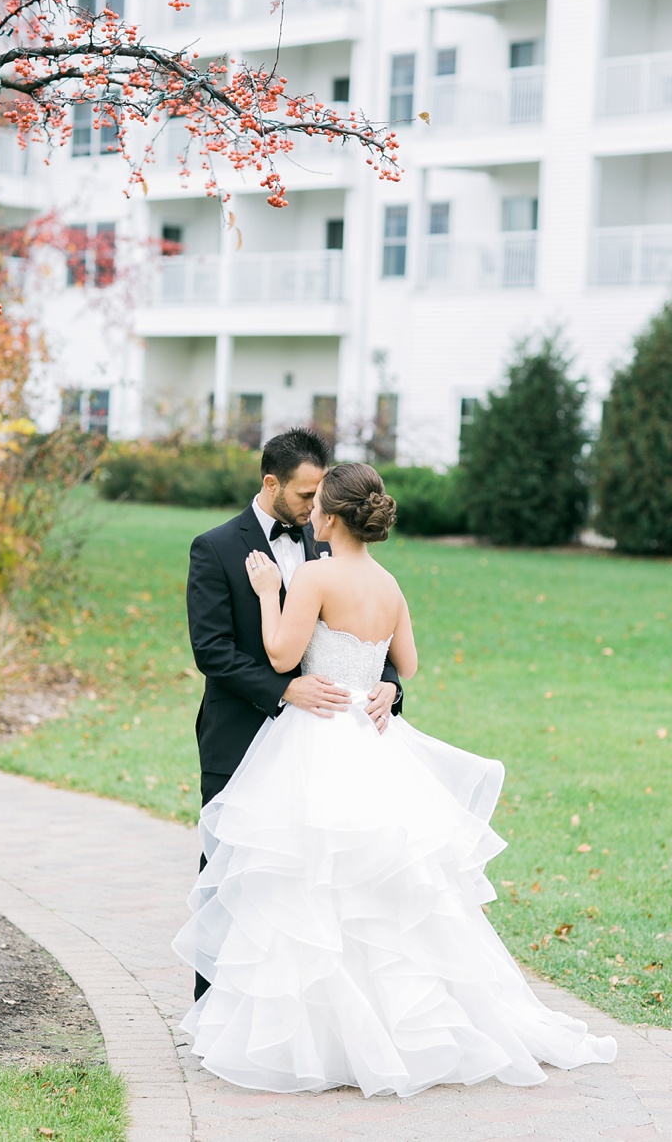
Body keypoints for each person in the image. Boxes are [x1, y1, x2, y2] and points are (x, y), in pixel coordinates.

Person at [174, 462, 616, 1097]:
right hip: (370, 736)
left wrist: (272, 591)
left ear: (327, 516)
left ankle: (319, 1041)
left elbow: (279, 656)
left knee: (310, 881)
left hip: (317, 736)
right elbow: (403, 661)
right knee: (380, 886)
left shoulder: (313, 575)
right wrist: (380, 683)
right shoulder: (388, 581)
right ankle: (395, 1031)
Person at [186, 431, 402, 999]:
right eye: (306, 495)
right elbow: (212, 652)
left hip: (326, 751)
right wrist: (286, 692)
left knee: (320, 885)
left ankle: (309, 1013)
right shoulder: (213, 547)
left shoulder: (333, 543)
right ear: (271, 483)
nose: (314, 507)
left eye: (321, 496)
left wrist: (388, 689)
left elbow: (369, 641)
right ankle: (216, 1016)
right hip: (239, 736)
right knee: (231, 878)